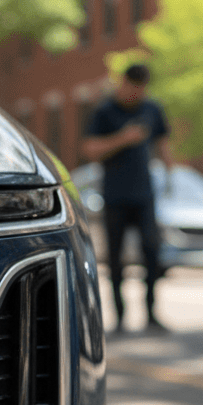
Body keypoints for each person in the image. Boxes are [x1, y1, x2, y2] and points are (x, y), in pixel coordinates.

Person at [83, 63, 174, 333]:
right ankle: (120, 317)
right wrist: (124, 138)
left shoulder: (152, 109)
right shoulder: (105, 111)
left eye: (142, 88)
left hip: (144, 195)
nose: (138, 93)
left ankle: (151, 312)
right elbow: (89, 149)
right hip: (115, 196)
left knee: (152, 252)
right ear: (124, 84)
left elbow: (163, 143)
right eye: (134, 87)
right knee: (115, 258)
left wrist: (172, 175)